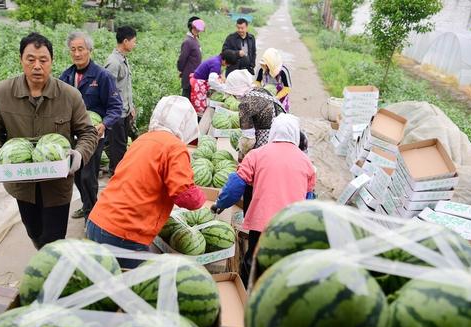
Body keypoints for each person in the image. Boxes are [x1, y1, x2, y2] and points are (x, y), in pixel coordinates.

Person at [0, 32, 98, 249]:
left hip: (57, 186)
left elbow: (88, 132)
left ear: (52, 62)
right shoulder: (2, 93)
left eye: (43, 60)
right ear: (21, 60)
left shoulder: (70, 96)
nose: (37, 66)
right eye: (31, 59)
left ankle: (51, 271)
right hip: (21, 183)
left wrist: (79, 155)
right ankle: (42, 252)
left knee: (54, 241)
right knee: (34, 231)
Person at [87, 96, 206, 268]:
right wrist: (205, 200)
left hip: (98, 222)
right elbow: (185, 196)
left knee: (107, 286)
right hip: (125, 234)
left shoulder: (142, 140)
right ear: (186, 123)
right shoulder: (174, 147)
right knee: (138, 290)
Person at [211, 114, 316, 285]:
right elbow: (309, 201)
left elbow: (235, 186)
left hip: (262, 224)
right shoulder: (307, 162)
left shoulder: (256, 155)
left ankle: (244, 298)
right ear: (296, 135)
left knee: (253, 264)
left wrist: (220, 204)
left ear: (273, 132)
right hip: (291, 227)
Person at [60, 32, 123, 220]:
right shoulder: (66, 76)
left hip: (95, 134)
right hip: (74, 134)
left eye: (81, 49)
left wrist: (104, 124)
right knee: (76, 174)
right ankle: (88, 204)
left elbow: (115, 107)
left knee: (88, 175)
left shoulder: (102, 76)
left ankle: (92, 213)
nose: (77, 53)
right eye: (73, 50)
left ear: (89, 50)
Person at [223, 69, 286, 216]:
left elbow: (249, 140)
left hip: (267, 141)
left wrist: (243, 155)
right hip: (283, 136)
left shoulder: (245, 104)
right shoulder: (261, 91)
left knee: (256, 181)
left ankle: (252, 215)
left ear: (235, 91)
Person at [104, 26, 137, 176]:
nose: (135, 44)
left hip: (124, 111)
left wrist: (131, 107)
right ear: (125, 41)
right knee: (117, 147)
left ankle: (119, 173)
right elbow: (107, 90)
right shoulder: (114, 63)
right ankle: (116, 175)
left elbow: (124, 87)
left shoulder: (123, 59)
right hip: (116, 113)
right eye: (134, 41)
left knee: (121, 145)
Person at [190, 50, 237, 115]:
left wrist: (223, 82)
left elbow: (217, 75)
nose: (227, 66)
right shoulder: (216, 64)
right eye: (228, 64)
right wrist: (224, 89)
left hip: (200, 80)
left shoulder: (217, 59)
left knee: (202, 102)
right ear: (225, 60)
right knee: (199, 106)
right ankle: (198, 119)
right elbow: (212, 81)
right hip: (198, 83)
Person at [255, 48, 292, 112]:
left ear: (272, 63)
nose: (264, 66)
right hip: (266, 96)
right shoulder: (261, 68)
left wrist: (277, 97)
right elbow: (257, 81)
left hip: (281, 98)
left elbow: (287, 88)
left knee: (281, 115)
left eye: (266, 64)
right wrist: (261, 91)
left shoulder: (283, 70)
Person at [177, 17, 205, 99]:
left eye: (199, 30)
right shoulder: (188, 42)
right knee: (186, 99)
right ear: (192, 28)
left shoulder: (194, 40)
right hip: (188, 76)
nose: (198, 31)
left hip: (194, 76)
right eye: (196, 29)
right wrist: (182, 71)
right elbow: (182, 59)